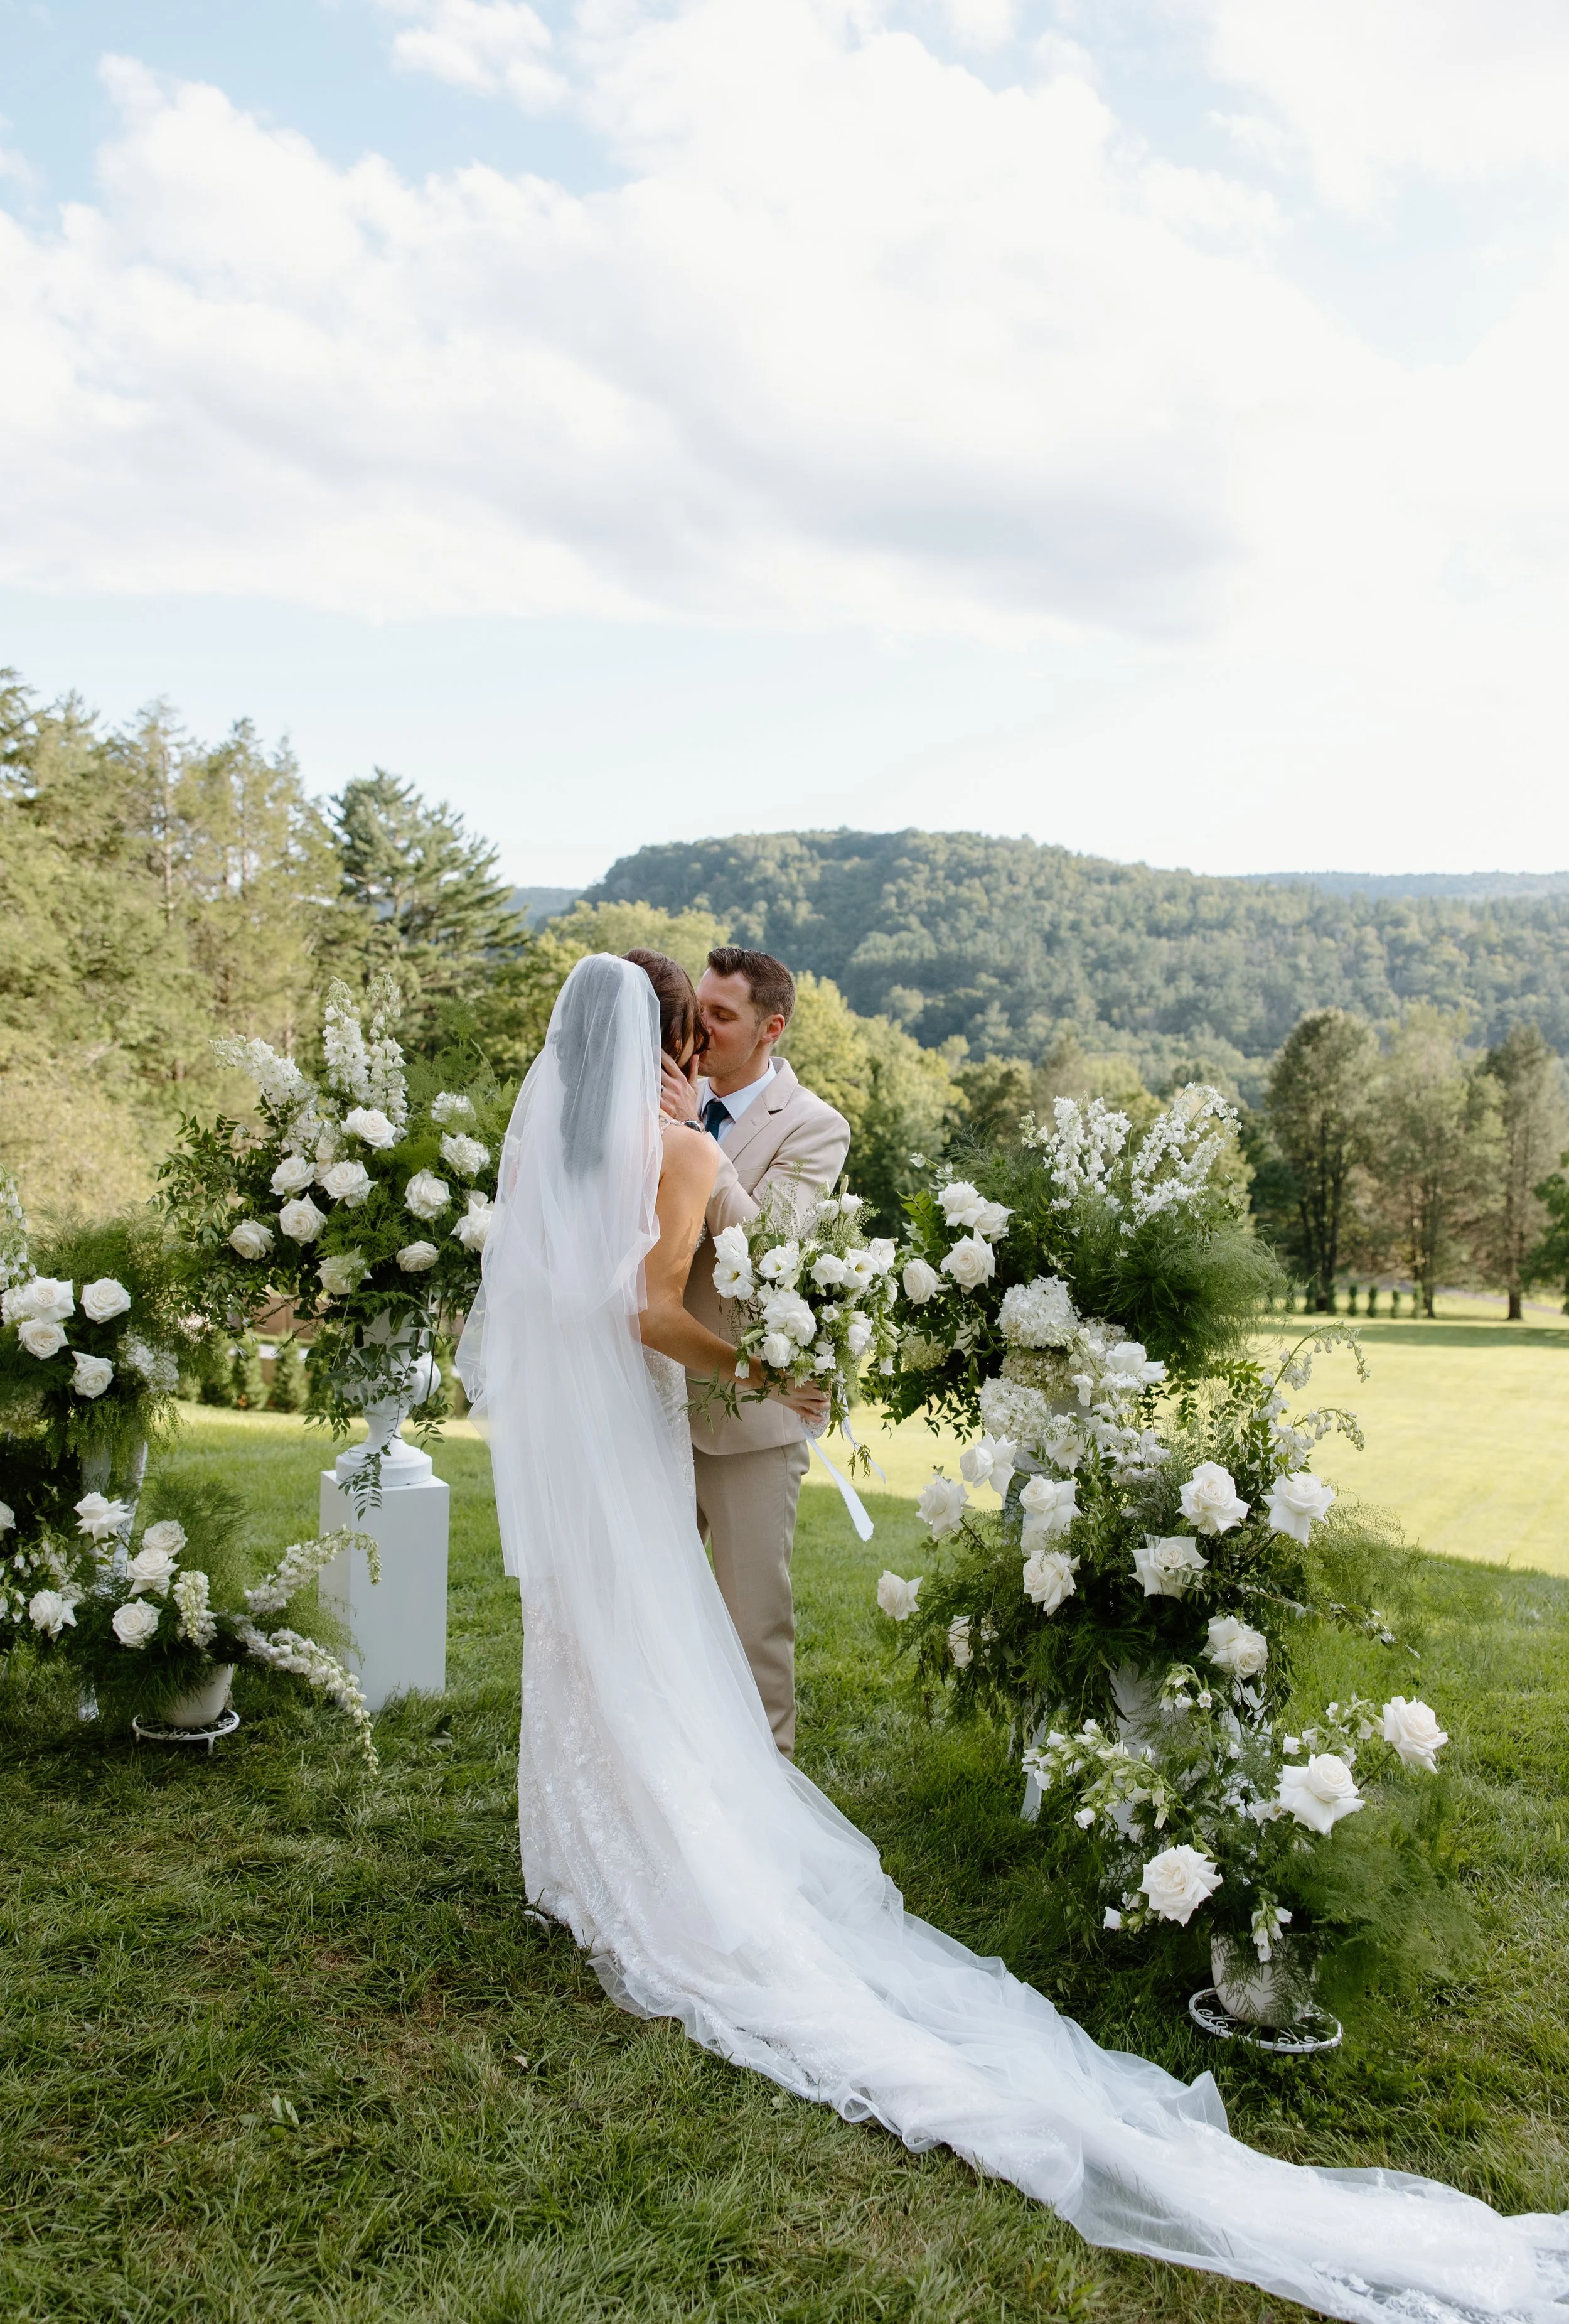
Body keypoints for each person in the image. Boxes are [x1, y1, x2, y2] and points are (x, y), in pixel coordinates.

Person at [457, 955, 1569, 2324]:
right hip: (643, 1429)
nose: (696, 1058)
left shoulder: (547, 1164)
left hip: (577, 1459)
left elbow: (550, 1311)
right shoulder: (674, 1153)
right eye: (689, 1036)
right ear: (670, 1043)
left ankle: (589, 1855)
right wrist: (759, 1368)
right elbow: (648, 1311)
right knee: (643, 1643)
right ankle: (667, 1857)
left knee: (592, 1641)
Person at [657, 945, 851, 1756]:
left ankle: (771, 1799)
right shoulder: (663, 1102)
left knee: (752, 1626)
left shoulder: (815, 1127)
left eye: (723, 1015)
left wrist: (694, 1134)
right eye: (699, 1007)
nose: (700, 1026)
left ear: (772, 1029)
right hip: (657, 1397)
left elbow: (772, 1248)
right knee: (656, 1612)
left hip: (756, 1413)